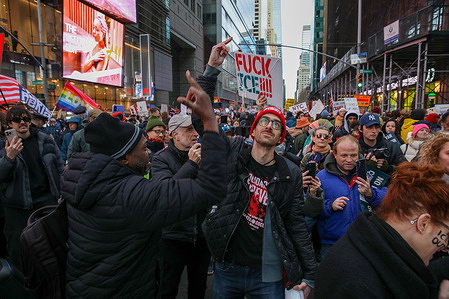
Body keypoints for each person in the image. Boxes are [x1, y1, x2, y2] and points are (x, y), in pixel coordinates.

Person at [61, 71, 227, 298]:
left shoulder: (85, 180)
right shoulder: (128, 194)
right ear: (123, 159)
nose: (149, 151)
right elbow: (211, 187)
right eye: (142, 148)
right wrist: (208, 121)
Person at [202, 104, 317, 298]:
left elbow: (296, 223)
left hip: (268, 272)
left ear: (281, 136)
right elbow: (204, 125)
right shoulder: (235, 157)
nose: (269, 126)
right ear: (253, 130)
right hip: (228, 266)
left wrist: (310, 273)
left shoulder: (290, 173)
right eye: (264, 121)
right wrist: (211, 73)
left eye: (276, 124)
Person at [315, 162, 449, 299]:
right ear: (423, 223)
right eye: (446, 235)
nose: (444, 246)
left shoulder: (369, 249)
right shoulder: (357, 285)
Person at [151, 114, 208, 298]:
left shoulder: (203, 155)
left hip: (200, 236)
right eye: (188, 129)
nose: (194, 134)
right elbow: (167, 191)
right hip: (172, 236)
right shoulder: (161, 159)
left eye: (195, 129)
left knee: (198, 288)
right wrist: (191, 165)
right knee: (167, 288)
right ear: (174, 135)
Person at [0, 106, 63, 269]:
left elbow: (59, 167)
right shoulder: (3, 146)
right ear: (9, 124)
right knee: (19, 247)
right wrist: (9, 158)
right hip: (18, 205)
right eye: (17, 119)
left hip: (46, 200)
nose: (22, 122)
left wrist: (62, 192)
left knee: (53, 242)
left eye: (26, 119)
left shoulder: (45, 140)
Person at [314, 135, 387, 257]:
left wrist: (370, 194)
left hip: (364, 241)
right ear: (335, 154)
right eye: (344, 155)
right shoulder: (321, 177)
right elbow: (312, 210)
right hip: (332, 244)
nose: (349, 160)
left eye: (353, 155)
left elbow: (386, 199)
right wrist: (330, 206)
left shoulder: (369, 174)